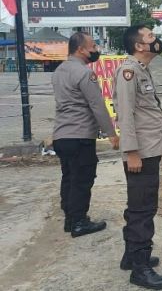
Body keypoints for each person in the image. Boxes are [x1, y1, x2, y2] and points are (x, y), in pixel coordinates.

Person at [113, 25, 162, 289]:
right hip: (141, 154)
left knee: (140, 205)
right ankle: (140, 267)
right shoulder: (128, 72)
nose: (156, 40)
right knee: (143, 209)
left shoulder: (141, 70)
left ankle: (130, 256)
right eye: (150, 37)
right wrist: (131, 152)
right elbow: (125, 114)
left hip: (149, 150)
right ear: (139, 46)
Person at [52, 32, 119, 238]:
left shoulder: (59, 71)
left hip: (61, 136)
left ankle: (70, 219)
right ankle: (79, 222)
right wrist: (111, 133)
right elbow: (97, 105)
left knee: (69, 178)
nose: (95, 50)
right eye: (92, 46)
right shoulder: (84, 73)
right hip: (80, 136)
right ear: (80, 49)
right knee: (82, 180)